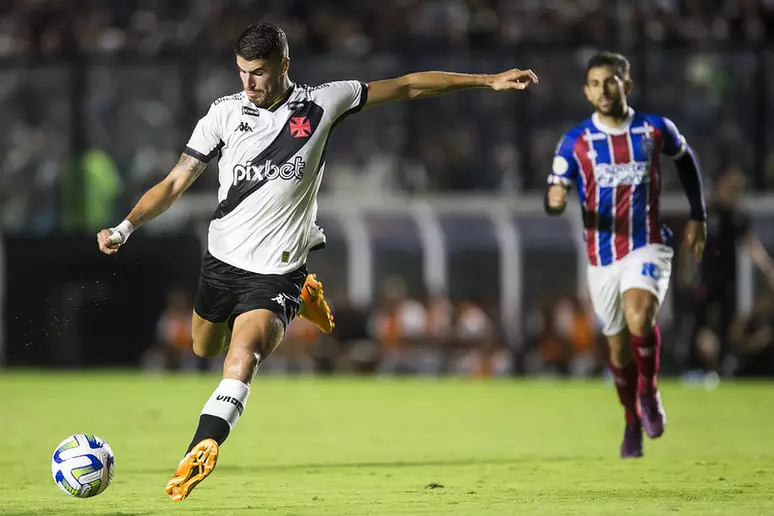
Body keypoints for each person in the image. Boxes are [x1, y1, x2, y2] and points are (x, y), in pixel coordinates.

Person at [96, 22, 537, 501]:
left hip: (277, 273)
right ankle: (307, 297)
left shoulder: (324, 102)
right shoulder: (223, 113)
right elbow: (174, 183)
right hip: (220, 263)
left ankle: (203, 444)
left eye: (258, 72)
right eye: (242, 72)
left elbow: (408, 85)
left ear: (284, 65)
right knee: (204, 347)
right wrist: (125, 227)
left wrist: (487, 80)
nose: (248, 83)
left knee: (243, 355)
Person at [544, 52, 706, 459]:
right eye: (595, 83)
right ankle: (631, 421)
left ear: (627, 85)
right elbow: (555, 191)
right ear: (586, 92)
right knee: (617, 349)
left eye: (611, 81)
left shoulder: (655, 129)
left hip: (647, 244)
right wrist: (555, 199)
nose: (603, 90)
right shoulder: (576, 141)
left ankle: (649, 393)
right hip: (602, 257)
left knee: (639, 316)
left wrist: (698, 215)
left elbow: (686, 161)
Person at [679, 165, 774, 377]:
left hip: (728, 284)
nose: (734, 193)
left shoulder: (738, 216)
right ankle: (696, 368)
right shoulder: (705, 212)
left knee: (726, 328)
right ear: (721, 184)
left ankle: (719, 371)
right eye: (732, 187)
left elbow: (752, 246)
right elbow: (688, 242)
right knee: (701, 327)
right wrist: (685, 269)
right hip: (705, 283)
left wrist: (768, 269)